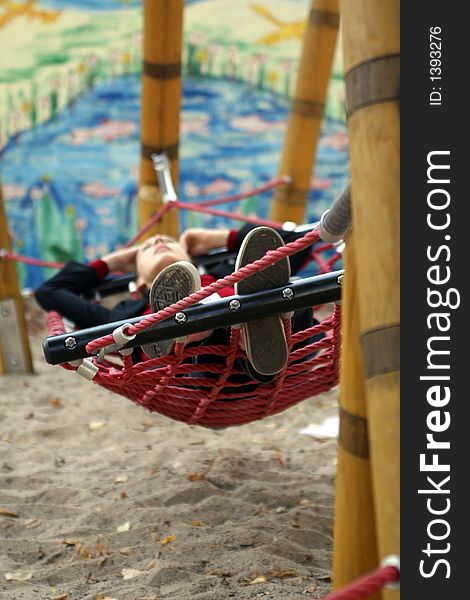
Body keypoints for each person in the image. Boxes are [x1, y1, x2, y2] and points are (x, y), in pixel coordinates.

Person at [35, 225, 316, 377]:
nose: (157, 239)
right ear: (140, 282)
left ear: (192, 259)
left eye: (168, 240)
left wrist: (215, 238)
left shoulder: (229, 273)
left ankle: (239, 329)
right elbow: (50, 291)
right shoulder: (123, 315)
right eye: (147, 248)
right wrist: (115, 262)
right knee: (190, 345)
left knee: (291, 291)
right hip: (199, 374)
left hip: (277, 352)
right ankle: (204, 329)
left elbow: (303, 241)